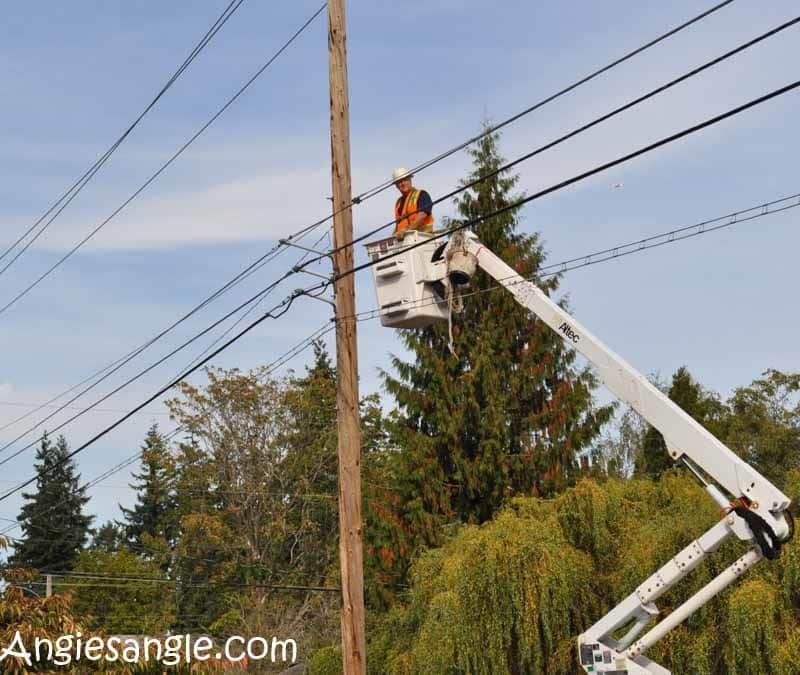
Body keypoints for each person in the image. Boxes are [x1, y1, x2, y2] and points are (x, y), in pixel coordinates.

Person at [392, 167, 433, 238]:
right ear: (396, 186)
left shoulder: (421, 194)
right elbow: (398, 225)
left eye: (405, 180)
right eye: (399, 182)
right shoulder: (398, 203)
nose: (402, 184)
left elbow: (422, 215)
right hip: (405, 240)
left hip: (422, 238)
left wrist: (407, 231)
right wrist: (393, 237)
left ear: (410, 180)